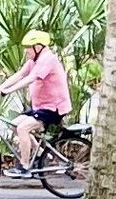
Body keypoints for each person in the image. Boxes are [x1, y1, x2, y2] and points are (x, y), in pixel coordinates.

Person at [10, 29, 72, 168]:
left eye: (28, 48)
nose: (26, 51)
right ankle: (41, 154)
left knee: (23, 129)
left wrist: (7, 91)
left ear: (38, 47)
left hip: (53, 108)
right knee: (14, 125)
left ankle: (24, 166)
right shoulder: (35, 61)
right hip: (42, 107)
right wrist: (0, 88)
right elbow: (20, 75)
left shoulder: (48, 59)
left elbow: (31, 78)